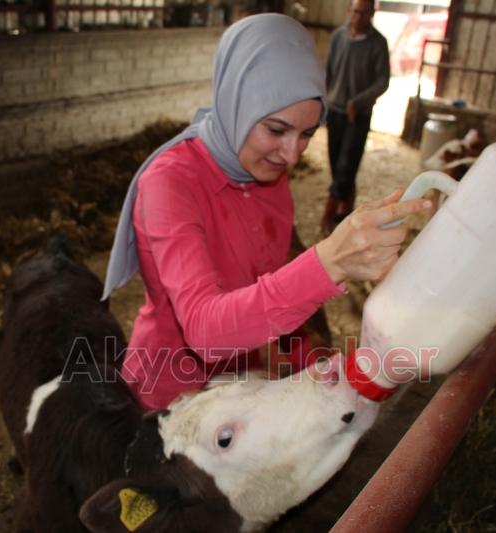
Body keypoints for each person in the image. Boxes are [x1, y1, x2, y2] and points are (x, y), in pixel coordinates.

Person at [103, 13, 429, 411]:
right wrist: (328, 263)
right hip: (169, 399)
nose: (292, 154)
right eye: (276, 130)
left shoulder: (268, 174)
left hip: (240, 388)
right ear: (235, 101)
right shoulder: (170, 183)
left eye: (307, 133)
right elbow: (205, 332)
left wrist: (310, 362)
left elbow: (267, 283)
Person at [320, 0, 390, 235]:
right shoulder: (338, 36)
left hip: (357, 116)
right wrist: (323, 101)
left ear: (372, 14)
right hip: (335, 111)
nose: (358, 17)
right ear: (349, 11)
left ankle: (327, 219)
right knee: (337, 165)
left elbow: (382, 82)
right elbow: (328, 72)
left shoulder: (378, 43)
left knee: (345, 166)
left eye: (364, 13)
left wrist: (358, 102)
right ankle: (347, 211)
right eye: (355, 12)